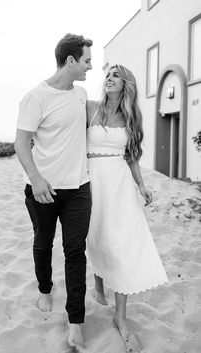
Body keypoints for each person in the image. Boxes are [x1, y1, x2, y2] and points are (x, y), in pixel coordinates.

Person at [15, 33, 92, 351]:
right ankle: (45, 289)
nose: (91, 66)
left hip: (78, 190)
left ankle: (76, 321)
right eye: (87, 60)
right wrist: (36, 179)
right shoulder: (36, 97)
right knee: (43, 243)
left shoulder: (81, 94)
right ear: (71, 60)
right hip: (43, 189)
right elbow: (21, 143)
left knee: (75, 252)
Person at [86, 64, 168, 352]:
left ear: (126, 84)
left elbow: (132, 156)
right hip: (91, 180)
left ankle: (121, 316)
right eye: (107, 75)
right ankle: (98, 283)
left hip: (119, 184)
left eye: (116, 76)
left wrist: (142, 185)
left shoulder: (132, 116)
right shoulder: (90, 108)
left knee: (120, 243)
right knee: (95, 236)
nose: (109, 79)